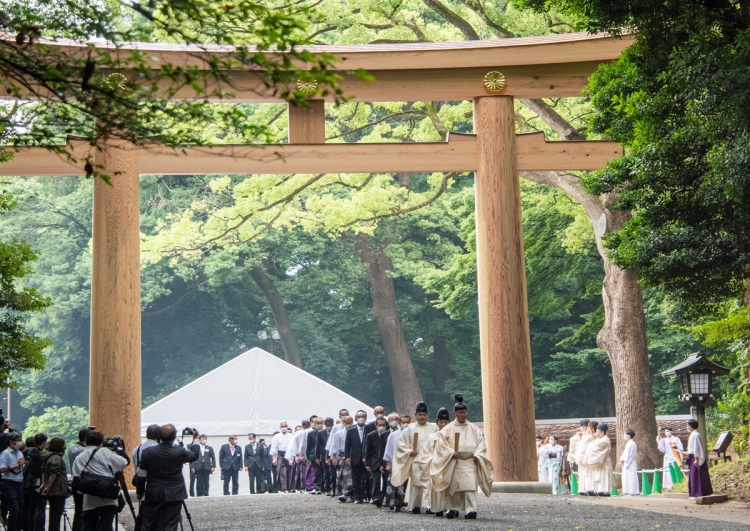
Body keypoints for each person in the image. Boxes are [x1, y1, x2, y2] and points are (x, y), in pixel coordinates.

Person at [431, 395, 493, 520]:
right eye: (460, 412)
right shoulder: (448, 429)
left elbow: (481, 444)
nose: (462, 415)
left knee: (470, 487)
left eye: (464, 412)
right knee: (453, 487)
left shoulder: (474, 428)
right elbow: (441, 445)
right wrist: (449, 452)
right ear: (455, 413)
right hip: (454, 461)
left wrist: (478, 454)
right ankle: (453, 508)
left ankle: (471, 510)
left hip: (469, 461)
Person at [137, 425, 200, 531]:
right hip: (174, 493)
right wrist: (195, 440)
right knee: (171, 524)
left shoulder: (148, 452)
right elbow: (194, 455)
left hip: (154, 492)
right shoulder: (179, 451)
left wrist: (140, 491)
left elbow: (141, 474)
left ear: (159, 436)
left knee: (149, 522)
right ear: (175, 436)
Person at [70, 431, 129, 531]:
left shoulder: (79, 457)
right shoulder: (105, 452)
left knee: (89, 525)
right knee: (106, 524)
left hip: (89, 499)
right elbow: (123, 462)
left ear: (86, 441)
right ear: (101, 442)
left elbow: (76, 477)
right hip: (108, 496)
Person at [391, 401, 438, 514]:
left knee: (429, 483)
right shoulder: (409, 429)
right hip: (416, 459)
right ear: (415, 415)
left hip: (430, 459)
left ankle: (429, 506)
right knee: (416, 483)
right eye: (420, 415)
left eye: (424, 415)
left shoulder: (434, 427)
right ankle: (415, 505)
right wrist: (408, 451)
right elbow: (401, 445)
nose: (422, 417)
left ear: (427, 415)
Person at [37, 438, 71, 531]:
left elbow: (44, 471)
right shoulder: (56, 458)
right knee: (56, 517)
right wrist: (47, 487)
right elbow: (54, 474)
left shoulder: (47, 456)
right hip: (58, 490)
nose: (64, 447)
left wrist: (44, 484)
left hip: (53, 490)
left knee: (53, 515)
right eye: (63, 445)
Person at [423, 407, 450, 517]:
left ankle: (450, 507)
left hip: (448, 464)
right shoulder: (432, 437)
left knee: (449, 487)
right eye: (441, 422)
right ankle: (438, 507)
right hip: (435, 466)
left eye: (445, 422)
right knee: (436, 487)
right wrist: (432, 460)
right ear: (437, 422)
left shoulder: (451, 436)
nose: (443, 424)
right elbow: (426, 451)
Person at [0, 432, 26, 531]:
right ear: (11, 442)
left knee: (20, 508)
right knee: (14, 509)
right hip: (9, 483)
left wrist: (24, 464)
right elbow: (1, 469)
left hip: (19, 483)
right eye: (18, 440)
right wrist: (16, 465)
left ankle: (18, 528)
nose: (20, 442)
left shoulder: (20, 453)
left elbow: (21, 468)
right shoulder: (5, 454)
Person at [682, 419, 712, 500]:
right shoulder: (693, 434)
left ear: (690, 426)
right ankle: (697, 493)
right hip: (693, 455)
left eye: (688, 425)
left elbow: (697, 448)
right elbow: (693, 448)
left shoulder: (695, 435)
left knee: (696, 476)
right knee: (694, 475)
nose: (687, 426)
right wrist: (688, 452)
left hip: (695, 457)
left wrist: (696, 459)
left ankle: (696, 494)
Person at [68, 428, 90, 531]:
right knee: (84, 511)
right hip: (84, 482)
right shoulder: (85, 451)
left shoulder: (72, 448)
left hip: (75, 481)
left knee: (78, 510)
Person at [364, 416, 389, 507]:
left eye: (383, 425)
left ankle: (384, 496)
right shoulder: (371, 435)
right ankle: (376, 497)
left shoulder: (388, 434)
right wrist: (368, 463)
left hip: (386, 461)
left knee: (386, 480)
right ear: (376, 425)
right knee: (376, 480)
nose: (381, 427)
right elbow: (368, 450)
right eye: (380, 425)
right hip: (374, 461)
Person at [583, 423, 613, 497]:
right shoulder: (598, 439)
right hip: (599, 462)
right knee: (599, 477)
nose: (596, 433)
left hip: (604, 462)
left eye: (598, 432)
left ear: (602, 432)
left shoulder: (606, 440)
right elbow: (591, 446)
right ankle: (599, 490)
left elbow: (595, 448)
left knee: (604, 476)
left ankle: (605, 491)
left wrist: (594, 439)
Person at [382, 412, 405, 511]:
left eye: (407, 422)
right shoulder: (393, 435)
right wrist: (388, 463)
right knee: (394, 483)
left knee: (404, 484)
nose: (405, 424)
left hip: (406, 462)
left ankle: (402, 503)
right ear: (399, 422)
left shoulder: (411, 434)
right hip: (395, 462)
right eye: (403, 422)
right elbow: (388, 449)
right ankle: (391, 503)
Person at [344, 411, 368, 504]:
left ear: (365, 418)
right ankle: (358, 497)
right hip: (355, 457)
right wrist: (347, 457)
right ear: (355, 419)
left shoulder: (369, 428)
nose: (361, 418)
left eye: (363, 416)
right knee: (356, 478)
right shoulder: (351, 430)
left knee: (367, 478)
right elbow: (347, 444)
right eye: (359, 416)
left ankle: (368, 496)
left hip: (366, 458)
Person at [133, 424, 160, 495]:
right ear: (159, 436)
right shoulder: (160, 450)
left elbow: (136, 468)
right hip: (156, 490)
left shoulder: (136, 450)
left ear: (146, 435)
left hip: (141, 489)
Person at [333, 416, 354, 502]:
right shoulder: (338, 433)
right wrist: (334, 457)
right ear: (343, 423)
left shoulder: (355, 432)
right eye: (346, 422)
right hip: (342, 456)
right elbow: (334, 446)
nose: (348, 424)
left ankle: (351, 494)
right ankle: (343, 493)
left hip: (353, 456)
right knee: (341, 475)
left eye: (350, 422)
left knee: (351, 475)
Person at [270, 422, 294, 492]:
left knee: (290, 471)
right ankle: (284, 488)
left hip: (289, 454)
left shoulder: (291, 436)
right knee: (282, 472)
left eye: (285, 426)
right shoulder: (276, 437)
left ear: (287, 426)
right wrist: (274, 459)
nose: (284, 428)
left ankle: (290, 488)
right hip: (280, 454)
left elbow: (293, 447)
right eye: (282, 426)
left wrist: (292, 458)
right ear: (280, 427)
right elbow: (274, 448)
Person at [575, 421, 597, 495]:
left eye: (588, 428)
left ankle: (590, 489)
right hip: (581, 458)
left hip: (587, 458)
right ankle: (582, 489)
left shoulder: (591, 437)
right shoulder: (584, 436)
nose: (587, 429)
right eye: (587, 428)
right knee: (582, 474)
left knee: (589, 474)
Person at [316, 418, 335, 496]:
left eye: (330, 425)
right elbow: (317, 446)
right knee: (326, 473)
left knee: (333, 473)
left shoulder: (335, 431)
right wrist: (317, 457)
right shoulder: (321, 433)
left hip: (333, 455)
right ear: (325, 424)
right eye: (327, 425)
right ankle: (327, 489)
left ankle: (333, 489)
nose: (329, 426)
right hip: (324, 455)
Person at [619, 430, 638, 496]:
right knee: (626, 477)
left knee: (631, 477)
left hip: (630, 463)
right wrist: (622, 459)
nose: (625, 436)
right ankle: (627, 491)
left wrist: (624, 459)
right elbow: (625, 453)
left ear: (629, 435)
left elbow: (631, 455)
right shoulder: (628, 443)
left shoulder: (632, 444)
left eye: (626, 435)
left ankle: (632, 491)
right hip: (626, 462)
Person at [306, 419, 322, 494]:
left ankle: (324, 487)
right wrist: (308, 456)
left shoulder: (326, 432)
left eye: (321, 423)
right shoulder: (311, 433)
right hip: (313, 455)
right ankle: (316, 487)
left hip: (323, 455)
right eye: (317, 423)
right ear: (314, 424)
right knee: (316, 472)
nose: (319, 424)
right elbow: (308, 446)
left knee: (324, 472)